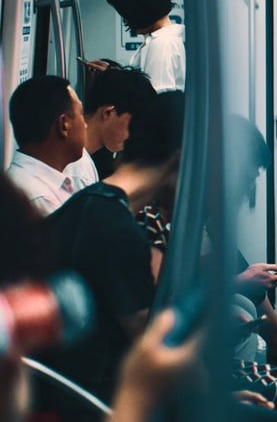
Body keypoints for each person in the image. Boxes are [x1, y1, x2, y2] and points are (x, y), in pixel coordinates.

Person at [35, 92, 185, 417]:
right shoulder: (114, 228)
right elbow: (154, 345)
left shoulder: (93, 203)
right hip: (99, 402)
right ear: (180, 159)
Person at [6, 76, 87, 215]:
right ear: (64, 125)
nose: (85, 125)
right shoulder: (39, 199)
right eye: (82, 114)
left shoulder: (51, 183)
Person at [65, 65, 157, 189]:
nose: (134, 134)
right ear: (108, 113)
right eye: (133, 124)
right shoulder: (79, 171)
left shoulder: (76, 154)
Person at [104, 0, 186, 92]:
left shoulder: (161, 45)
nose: (125, 21)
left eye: (124, 13)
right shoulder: (171, 38)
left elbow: (155, 100)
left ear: (136, 10)